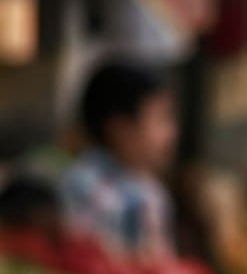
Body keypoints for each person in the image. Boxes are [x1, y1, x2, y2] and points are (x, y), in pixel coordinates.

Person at [59, 60, 179, 261]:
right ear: (120, 129)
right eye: (161, 118)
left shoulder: (149, 189)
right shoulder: (90, 188)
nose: (172, 133)